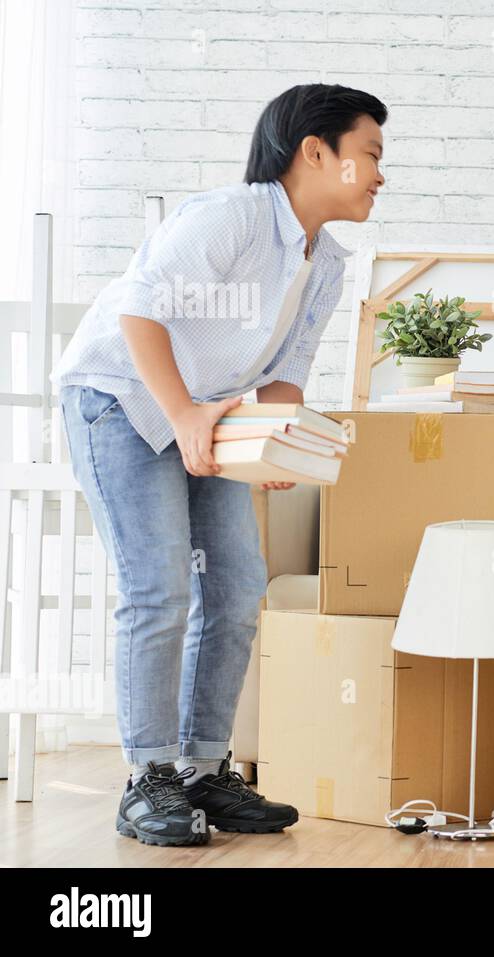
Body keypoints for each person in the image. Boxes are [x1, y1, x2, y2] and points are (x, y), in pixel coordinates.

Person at [51, 84, 387, 846]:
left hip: (209, 414)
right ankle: (148, 781)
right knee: (158, 587)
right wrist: (184, 416)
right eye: (369, 154)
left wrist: (273, 442)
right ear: (315, 153)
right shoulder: (231, 217)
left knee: (236, 587)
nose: (378, 174)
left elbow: (284, 378)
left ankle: (204, 771)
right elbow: (139, 312)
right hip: (121, 399)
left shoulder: (325, 263)